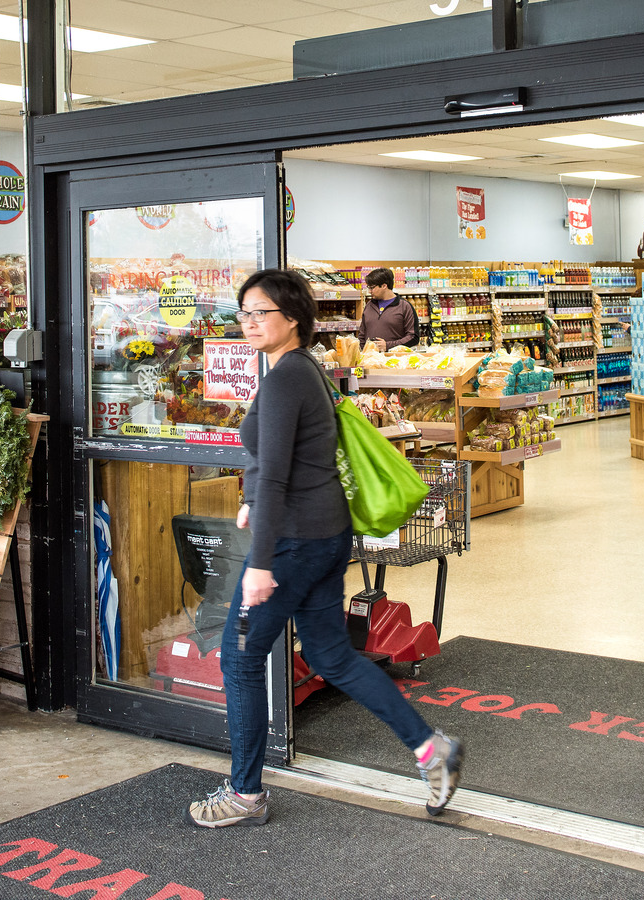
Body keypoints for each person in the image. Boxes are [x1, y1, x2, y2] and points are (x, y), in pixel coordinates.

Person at [188, 268, 462, 828]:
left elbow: (276, 475)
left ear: (292, 318)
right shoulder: (306, 368)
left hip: (290, 544)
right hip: (324, 533)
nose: (249, 322)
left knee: (241, 661)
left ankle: (245, 793)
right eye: (244, 312)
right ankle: (431, 749)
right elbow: (290, 460)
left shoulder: (286, 377)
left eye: (260, 312)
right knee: (333, 657)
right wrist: (252, 500)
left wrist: (260, 562)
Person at [358, 267, 420, 349]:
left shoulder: (404, 306)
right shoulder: (369, 305)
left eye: (372, 287)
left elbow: (413, 337)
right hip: (370, 359)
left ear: (384, 286)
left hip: (395, 359)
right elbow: (362, 335)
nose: (369, 291)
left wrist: (388, 346)